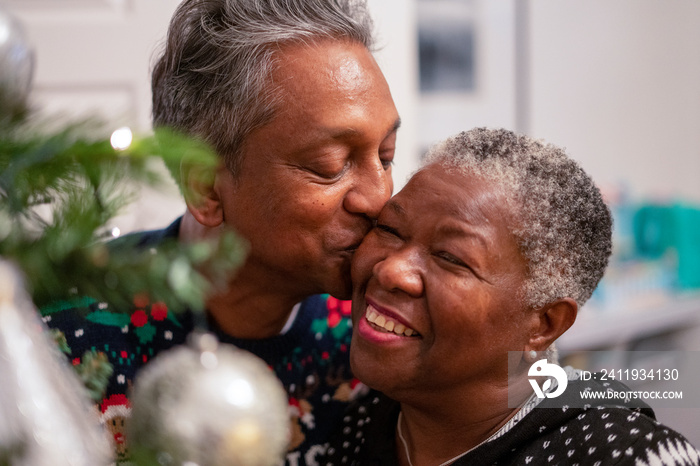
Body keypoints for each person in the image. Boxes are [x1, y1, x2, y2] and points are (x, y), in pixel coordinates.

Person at [43, 0, 400, 464]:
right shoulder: (59, 337)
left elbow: (521, 387)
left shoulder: (387, 330)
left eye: (386, 156)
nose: (378, 198)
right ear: (206, 187)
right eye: (330, 166)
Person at [323, 128, 700, 465]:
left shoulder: (625, 456)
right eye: (389, 229)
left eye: (451, 257)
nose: (390, 270)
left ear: (543, 324)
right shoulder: (356, 429)